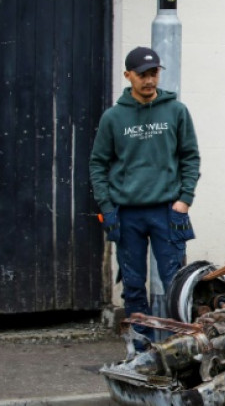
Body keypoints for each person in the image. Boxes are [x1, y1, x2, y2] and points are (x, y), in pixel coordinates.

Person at [89, 46, 200, 346]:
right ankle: (141, 349)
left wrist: (184, 200)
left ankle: (184, 348)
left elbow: (190, 157)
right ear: (128, 76)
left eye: (154, 73)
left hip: (168, 212)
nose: (150, 80)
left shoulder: (176, 111)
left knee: (177, 284)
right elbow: (98, 164)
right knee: (134, 285)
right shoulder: (114, 118)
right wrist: (107, 206)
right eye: (142, 75)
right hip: (128, 215)